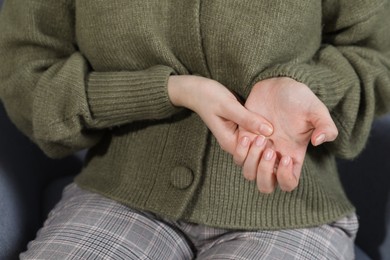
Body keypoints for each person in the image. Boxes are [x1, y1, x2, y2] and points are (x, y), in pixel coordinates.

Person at [0, 0, 389, 259]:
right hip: (121, 191)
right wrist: (164, 91)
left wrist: (307, 86)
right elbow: (27, 78)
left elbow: (377, 56)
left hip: (289, 208)